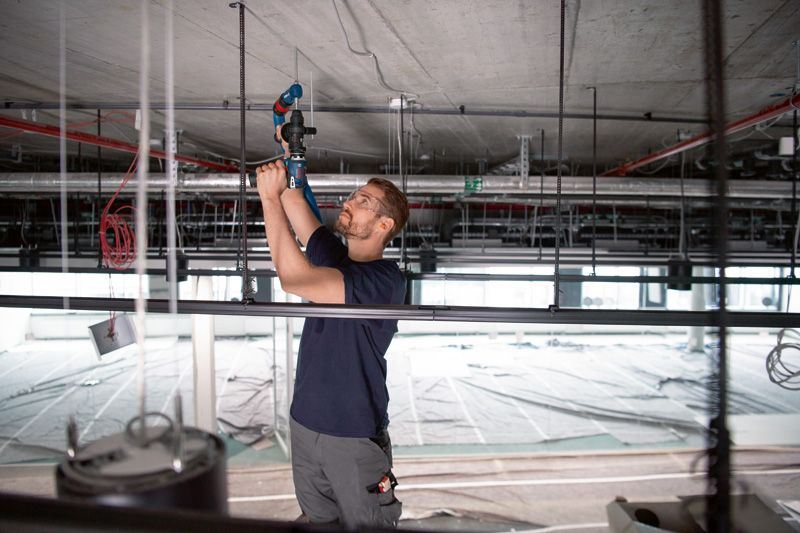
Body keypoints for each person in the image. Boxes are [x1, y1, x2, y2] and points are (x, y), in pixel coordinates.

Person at [255, 154, 409, 529]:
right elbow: (295, 203)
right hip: (305, 425)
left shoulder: (384, 282)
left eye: (363, 202)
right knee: (316, 522)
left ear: (383, 224)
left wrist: (268, 199)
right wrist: (289, 156)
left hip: (353, 435)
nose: (349, 202)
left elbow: (294, 278)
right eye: (354, 195)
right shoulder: (335, 257)